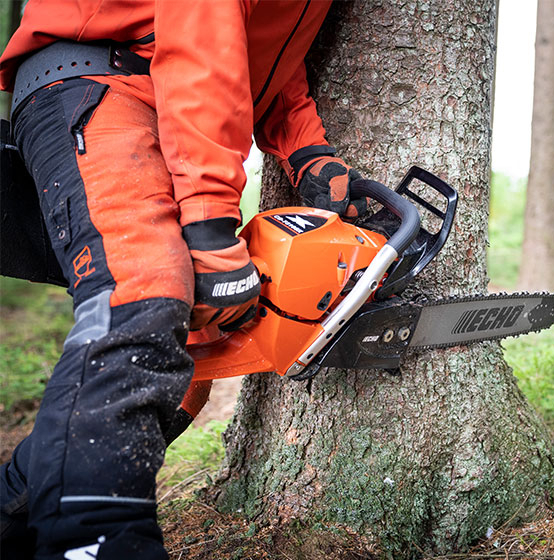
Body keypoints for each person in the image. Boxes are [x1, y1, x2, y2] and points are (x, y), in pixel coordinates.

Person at [0, 1, 366, 558]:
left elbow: (263, 48)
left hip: (167, 99)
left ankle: (14, 513)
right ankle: (98, 542)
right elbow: (202, 31)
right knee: (142, 297)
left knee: (188, 365)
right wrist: (210, 223)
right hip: (101, 82)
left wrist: (306, 147)